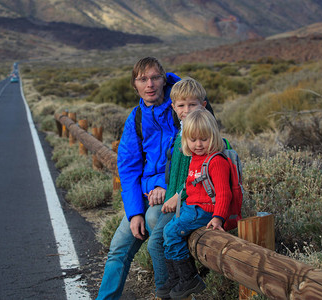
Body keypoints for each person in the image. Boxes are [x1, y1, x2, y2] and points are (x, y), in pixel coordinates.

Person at [95, 57, 180, 300]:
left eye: (155, 78)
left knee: (157, 229)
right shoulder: (136, 119)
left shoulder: (181, 107)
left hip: (174, 193)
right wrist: (134, 214)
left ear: (164, 80)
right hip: (144, 195)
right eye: (143, 79)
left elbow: (192, 157)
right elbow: (129, 168)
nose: (150, 84)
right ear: (135, 85)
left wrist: (166, 186)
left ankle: (174, 292)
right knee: (118, 249)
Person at [158, 109, 233, 299]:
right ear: (186, 140)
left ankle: (189, 278)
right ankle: (176, 278)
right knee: (168, 232)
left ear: (213, 137)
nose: (198, 144)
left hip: (205, 210)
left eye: (203, 139)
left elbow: (224, 193)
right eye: (193, 140)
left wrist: (218, 217)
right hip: (192, 208)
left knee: (171, 232)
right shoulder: (195, 159)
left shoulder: (216, 161)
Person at [146, 77, 210, 298]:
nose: (186, 110)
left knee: (156, 242)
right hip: (176, 201)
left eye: (192, 105)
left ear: (203, 106)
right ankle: (172, 287)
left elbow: (201, 174)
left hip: (188, 204)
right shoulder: (180, 135)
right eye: (181, 105)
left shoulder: (202, 136)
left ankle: (170, 289)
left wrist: (178, 196)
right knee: (158, 243)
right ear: (173, 107)